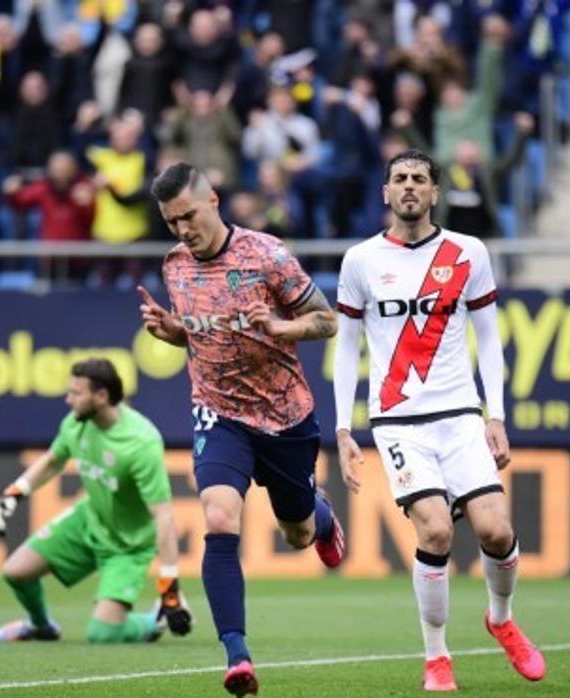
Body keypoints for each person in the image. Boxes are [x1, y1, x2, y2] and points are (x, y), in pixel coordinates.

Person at [331, 149, 546, 693]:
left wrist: (495, 415)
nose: (409, 187)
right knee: (436, 528)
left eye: (419, 179)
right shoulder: (360, 260)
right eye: (399, 179)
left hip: (458, 415)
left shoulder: (468, 253)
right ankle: (436, 655)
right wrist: (341, 429)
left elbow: (491, 338)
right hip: (398, 420)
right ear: (385, 192)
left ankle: (500, 619)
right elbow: (346, 345)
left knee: (496, 530)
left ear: (434, 192)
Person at [138, 162, 345, 697]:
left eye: (187, 215)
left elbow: (327, 321)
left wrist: (282, 326)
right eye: (170, 222)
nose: (182, 229)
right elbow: (204, 337)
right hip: (218, 412)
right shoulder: (174, 267)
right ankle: (237, 654)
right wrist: (174, 332)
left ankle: (320, 519)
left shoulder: (266, 255)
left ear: (213, 200)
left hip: (284, 416)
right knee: (218, 515)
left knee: (296, 533)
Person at [0, 359, 192, 645]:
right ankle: (42, 627)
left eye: (76, 393)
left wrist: (169, 584)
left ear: (101, 396)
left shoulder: (141, 443)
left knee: (102, 634)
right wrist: (15, 492)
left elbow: (163, 516)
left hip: (128, 546)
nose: (68, 399)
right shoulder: (76, 423)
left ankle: (154, 619)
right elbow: (52, 461)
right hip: (88, 522)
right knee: (15, 572)